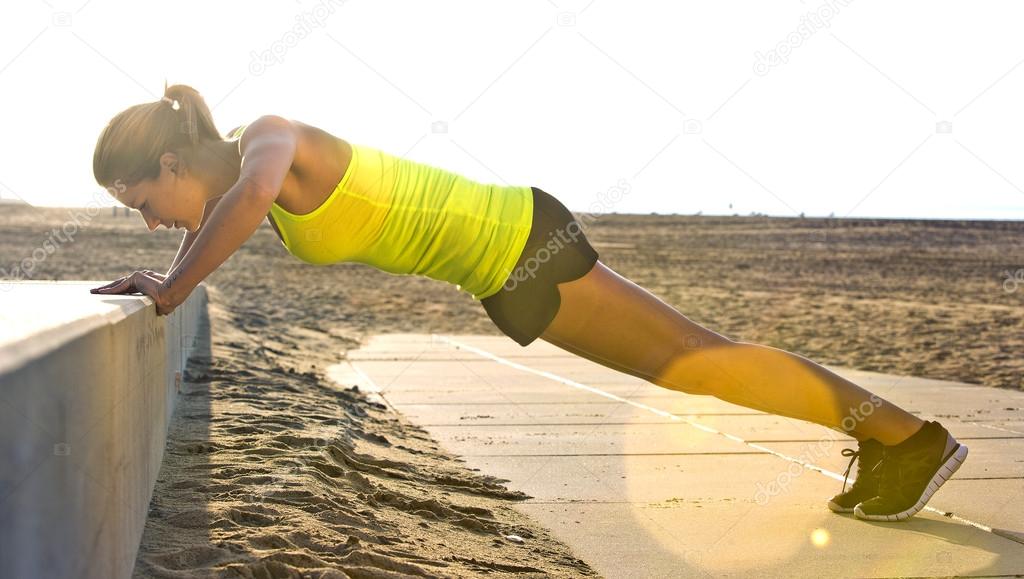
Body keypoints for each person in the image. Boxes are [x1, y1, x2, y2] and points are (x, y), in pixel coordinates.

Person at [89, 83, 968, 522]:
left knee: (702, 356)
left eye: (141, 203)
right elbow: (223, 214)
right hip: (503, 271)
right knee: (695, 367)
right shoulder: (245, 176)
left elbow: (240, 203)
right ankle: (890, 440)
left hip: (523, 240)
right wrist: (166, 274)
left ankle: (907, 438)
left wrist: (171, 286)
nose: (150, 221)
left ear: (171, 163)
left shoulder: (269, 140)